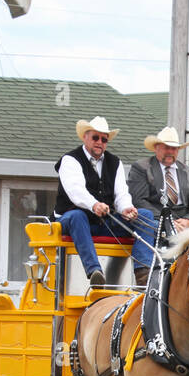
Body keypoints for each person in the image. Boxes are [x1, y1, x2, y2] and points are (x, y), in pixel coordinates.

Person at [55, 116, 157, 287]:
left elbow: (121, 193)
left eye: (104, 139)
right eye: (95, 138)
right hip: (71, 222)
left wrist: (126, 208)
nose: (99, 142)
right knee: (77, 216)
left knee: (145, 216)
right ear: (84, 137)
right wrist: (94, 205)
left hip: (103, 222)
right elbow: (75, 191)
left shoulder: (114, 162)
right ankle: (94, 271)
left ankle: (143, 273)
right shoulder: (70, 160)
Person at [128, 126, 189, 235]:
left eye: (173, 148)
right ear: (156, 148)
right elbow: (139, 201)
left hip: (183, 225)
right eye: (166, 147)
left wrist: (188, 221)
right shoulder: (142, 168)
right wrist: (168, 222)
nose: (170, 151)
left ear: (178, 150)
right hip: (155, 222)